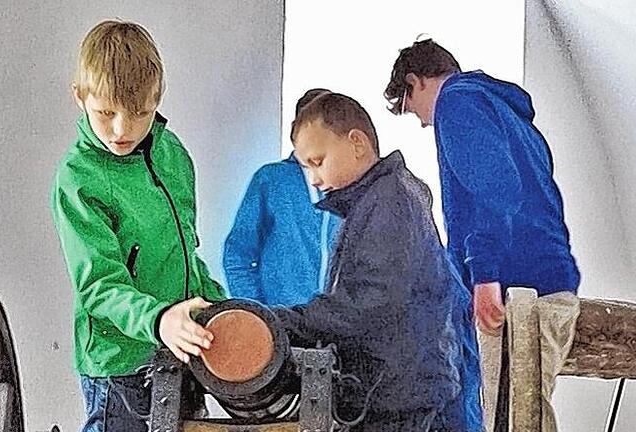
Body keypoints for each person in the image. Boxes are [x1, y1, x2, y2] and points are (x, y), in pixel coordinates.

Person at [384, 38, 580, 432]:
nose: (423, 121)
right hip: (549, 281)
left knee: (512, 419)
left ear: (416, 81)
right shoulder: (508, 114)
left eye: (411, 108)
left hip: (515, 289)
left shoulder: (458, 103)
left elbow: (495, 187)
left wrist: (484, 274)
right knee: (525, 416)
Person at [51, 19, 225, 432]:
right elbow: (99, 285)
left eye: (140, 112)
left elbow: (185, 252)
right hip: (120, 367)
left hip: (179, 352)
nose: (122, 129)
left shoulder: (174, 156)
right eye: (106, 112)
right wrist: (160, 319)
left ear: (157, 99)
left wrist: (221, 307)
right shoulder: (78, 179)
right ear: (80, 97)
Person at [273, 90, 478, 431]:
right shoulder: (376, 201)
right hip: (397, 393)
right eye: (306, 167)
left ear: (357, 143)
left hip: (404, 402)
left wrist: (281, 322)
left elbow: (369, 304)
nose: (313, 179)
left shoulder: (390, 201)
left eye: (317, 161)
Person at [223, 89, 341, 306]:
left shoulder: (349, 185)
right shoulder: (272, 180)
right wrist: (258, 313)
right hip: (283, 325)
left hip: (337, 328)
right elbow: (237, 254)